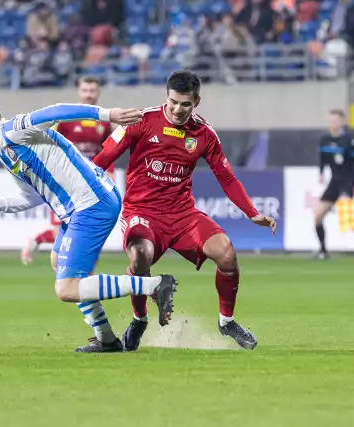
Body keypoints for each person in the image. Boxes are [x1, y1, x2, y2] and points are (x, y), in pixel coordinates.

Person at [0, 97, 178, 353]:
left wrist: (108, 115)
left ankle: (156, 285)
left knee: (66, 288)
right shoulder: (5, 154)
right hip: (76, 211)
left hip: (91, 203)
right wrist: (0, 204)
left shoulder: (14, 129)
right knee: (58, 262)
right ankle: (106, 338)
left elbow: (57, 111)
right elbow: (32, 195)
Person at [92, 70, 277, 351]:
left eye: (185, 104)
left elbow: (226, 177)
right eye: (173, 102)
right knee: (140, 255)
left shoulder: (204, 134)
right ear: (166, 98)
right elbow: (100, 161)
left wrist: (251, 212)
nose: (178, 110)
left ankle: (227, 322)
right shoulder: (140, 121)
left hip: (182, 215)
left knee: (226, 252)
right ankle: (139, 318)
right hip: (142, 212)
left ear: (196, 102)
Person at [21, 76, 114, 265]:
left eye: (92, 91)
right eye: (85, 90)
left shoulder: (104, 122)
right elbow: (50, 146)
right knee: (64, 232)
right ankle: (40, 244)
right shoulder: (66, 119)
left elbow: (108, 150)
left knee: (86, 233)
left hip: (92, 185)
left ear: (98, 93)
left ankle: (81, 279)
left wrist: (109, 172)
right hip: (66, 183)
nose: (89, 95)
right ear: (79, 93)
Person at [314, 109, 354, 259]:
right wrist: (321, 172)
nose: (332, 123)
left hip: (348, 181)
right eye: (330, 120)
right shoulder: (324, 139)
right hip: (334, 182)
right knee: (318, 215)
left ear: (341, 122)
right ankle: (323, 250)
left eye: (335, 120)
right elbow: (322, 158)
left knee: (347, 218)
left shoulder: (349, 141)